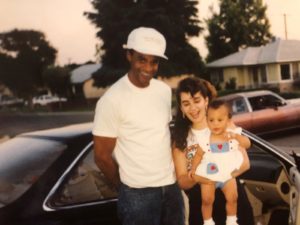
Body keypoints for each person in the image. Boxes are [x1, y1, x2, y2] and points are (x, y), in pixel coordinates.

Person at [92, 27, 184, 225]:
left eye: (154, 62)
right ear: (129, 55)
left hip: (171, 188)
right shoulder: (112, 100)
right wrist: (125, 187)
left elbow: (165, 134)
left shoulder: (164, 91)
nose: (148, 68)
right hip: (137, 195)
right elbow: (101, 156)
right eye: (142, 59)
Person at [171, 77, 254, 225]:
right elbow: (182, 180)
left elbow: (245, 163)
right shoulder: (180, 138)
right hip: (202, 203)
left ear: (206, 100)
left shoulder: (225, 125)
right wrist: (199, 177)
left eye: (197, 100)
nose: (193, 108)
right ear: (181, 108)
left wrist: (220, 177)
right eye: (186, 104)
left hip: (232, 199)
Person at [189, 99, 251, 225]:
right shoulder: (205, 138)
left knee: (233, 198)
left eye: (220, 120)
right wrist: (193, 169)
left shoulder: (232, 135)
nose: (215, 124)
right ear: (207, 120)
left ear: (228, 120)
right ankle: (208, 221)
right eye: (211, 120)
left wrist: (236, 137)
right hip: (209, 174)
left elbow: (247, 144)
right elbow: (198, 155)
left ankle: (232, 220)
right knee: (207, 200)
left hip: (227, 175)